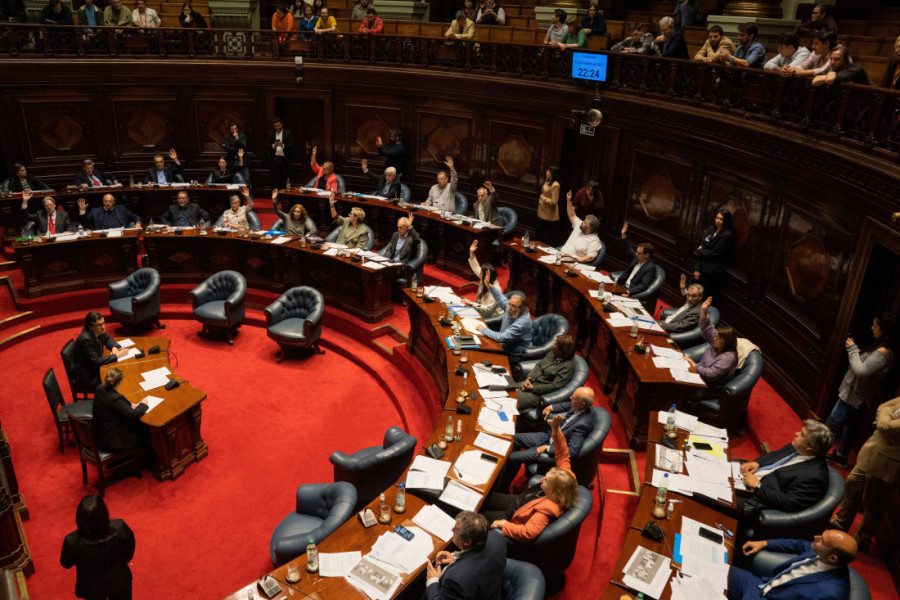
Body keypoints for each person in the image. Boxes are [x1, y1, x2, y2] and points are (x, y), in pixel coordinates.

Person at [483, 414, 579, 542]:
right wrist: (556, 430)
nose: (542, 479)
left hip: (513, 516)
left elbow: (527, 533)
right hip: (519, 501)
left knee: (480, 515)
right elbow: (562, 454)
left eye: (546, 481)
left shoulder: (546, 510)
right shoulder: (566, 477)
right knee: (484, 498)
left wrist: (504, 525)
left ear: (554, 491)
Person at [825, 313, 896, 468]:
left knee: (832, 424)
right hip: (855, 393)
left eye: (875, 325)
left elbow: (861, 371)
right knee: (850, 424)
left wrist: (852, 349)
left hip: (855, 395)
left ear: (884, 329)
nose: (872, 327)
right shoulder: (878, 347)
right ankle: (842, 456)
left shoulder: (884, 352)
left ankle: (815, 454)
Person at [830, 396, 900, 551]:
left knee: (873, 502)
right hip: (871, 452)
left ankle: (861, 539)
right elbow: (883, 405)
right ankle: (840, 523)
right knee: (852, 484)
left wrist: (885, 416)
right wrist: (886, 415)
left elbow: (885, 425)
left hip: (888, 463)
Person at [494, 388, 595, 494]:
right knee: (515, 439)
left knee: (512, 458)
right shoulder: (579, 405)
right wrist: (551, 407)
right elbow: (567, 405)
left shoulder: (582, 425)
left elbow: (572, 452)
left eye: (573, 397)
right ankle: (505, 476)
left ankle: (502, 488)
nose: (570, 398)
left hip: (550, 448)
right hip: (547, 436)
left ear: (582, 404)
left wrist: (547, 448)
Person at [738, 420, 833, 518]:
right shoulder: (797, 447)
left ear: (810, 447)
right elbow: (774, 455)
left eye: (802, 434)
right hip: (747, 480)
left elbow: (788, 502)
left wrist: (758, 485)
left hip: (755, 499)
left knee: (725, 499)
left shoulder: (814, 478)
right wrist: (757, 463)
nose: (796, 433)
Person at [727, 530, 856, 600]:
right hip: (760, 585)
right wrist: (764, 543)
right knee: (719, 570)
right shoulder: (820, 552)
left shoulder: (831, 594)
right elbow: (797, 544)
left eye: (822, 540)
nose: (816, 537)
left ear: (833, 558)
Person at [60, 495, 137, 600]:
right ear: (104, 513)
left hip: (91, 588)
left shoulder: (72, 541)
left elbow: (66, 563)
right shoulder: (120, 527)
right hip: (119, 581)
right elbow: (129, 550)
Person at [424, 511, 505, 600]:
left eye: (456, 530)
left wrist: (433, 581)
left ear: (467, 542)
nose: (452, 529)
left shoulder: (456, 579)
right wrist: (456, 558)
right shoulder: (497, 537)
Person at [682, 296, 737, 389]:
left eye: (718, 338)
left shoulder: (728, 358)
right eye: (715, 336)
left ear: (726, 342)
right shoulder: (717, 341)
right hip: (697, 374)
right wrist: (704, 310)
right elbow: (706, 327)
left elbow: (710, 375)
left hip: (707, 386)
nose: (714, 339)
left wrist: (693, 364)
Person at [92, 367, 149, 453]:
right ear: (119, 382)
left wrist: (128, 405)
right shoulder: (115, 398)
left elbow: (112, 405)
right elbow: (133, 415)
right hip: (111, 442)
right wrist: (143, 404)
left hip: (98, 435)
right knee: (143, 431)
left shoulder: (100, 388)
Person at [516, 334, 576, 413]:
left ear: (562, 350)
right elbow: (539, 365)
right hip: (532, 383)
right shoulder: (553, 353)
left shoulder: (567, 367)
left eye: (556, 344)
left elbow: (555, 386)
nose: (552, 345)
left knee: (513, 400)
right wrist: (529, 378)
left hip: (541, 394)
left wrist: (533, 388)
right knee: (507, 390)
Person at [475, 289, 532, 368]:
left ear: (521, 309)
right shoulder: (510, 308)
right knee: (479, 350)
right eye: (509, 304)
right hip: (503, 347)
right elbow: (500, 297)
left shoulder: (522, 322)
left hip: (514, 355)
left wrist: (482, 329)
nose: (510, 308)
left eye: (513, 306)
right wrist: (490, 286)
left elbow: (501, 337)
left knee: (485, 361)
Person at [73, 311, 129, 390]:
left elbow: (108, 338)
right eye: (99, 325)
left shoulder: (97, 330)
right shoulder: (86, 340)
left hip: (94, 367)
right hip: (88, 376)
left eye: (103, 323)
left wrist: (114, 348)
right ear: (90, 326)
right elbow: (97, 361)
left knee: (120, 371)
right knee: (116, 379)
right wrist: (117, 355)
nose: (103, 327)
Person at [693, 208, 733, 301]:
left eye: (721, 219)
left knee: (702, 297)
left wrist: (700, 251)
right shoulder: (711, 229)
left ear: (725, 221)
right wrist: (697, 268)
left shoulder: (726, 235)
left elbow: (714, 253)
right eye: (717, 218)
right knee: (691, 291)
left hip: (711, 272)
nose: (718, 221)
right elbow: (704, 244)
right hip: (701, 267)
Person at [614, 223, 656, 306]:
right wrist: (623, 235)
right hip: (622, 285)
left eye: (639, 253)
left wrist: (629, 292)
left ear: (647, 255)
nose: (636, 254)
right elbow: (629, 248)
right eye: (637, 252)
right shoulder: (638, 258)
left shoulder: (650, 268)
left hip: (629, 290)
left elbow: (643, 285)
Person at [464, 240, 503, 319]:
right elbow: (475, 267)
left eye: (481, 273)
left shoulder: (495, 290)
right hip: (481, 312)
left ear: (487, 276)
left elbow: (488, 309)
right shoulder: (486, 279)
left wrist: (471, 303)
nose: (479, 274)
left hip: (492, 319)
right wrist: (471, 252)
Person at [560, 190, 601, 263]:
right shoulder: (579, 225)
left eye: (584, 222)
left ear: (589, 228)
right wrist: (568, 201)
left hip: (570, 263)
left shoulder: (594, 240)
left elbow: (590, 257)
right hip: (560, 256)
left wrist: (573, 261)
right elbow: (572, 215)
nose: (582, 222)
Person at [268, 117, 293, 191]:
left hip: (284, 159)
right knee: (276, 179)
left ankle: (285, 193)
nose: (277, 127)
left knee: (285, 177)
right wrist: (274, 145)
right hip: (275, 159)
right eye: (275, 126)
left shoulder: (287, 133)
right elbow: (267, 146)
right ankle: (276, 194)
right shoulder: (271, 134)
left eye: (278, 125)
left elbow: (291, 145)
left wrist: (283, 145)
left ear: (281, 125)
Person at [536, 166, 560, 244]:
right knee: (539, 234)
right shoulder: (547, 181)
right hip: (542, 212)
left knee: (545, 237)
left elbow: (554, 201)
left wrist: (543, 198)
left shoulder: (555, 185)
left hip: (549, 215)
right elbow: (543, 192)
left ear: (552, 174)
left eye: (548, 171)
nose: (546, 172)